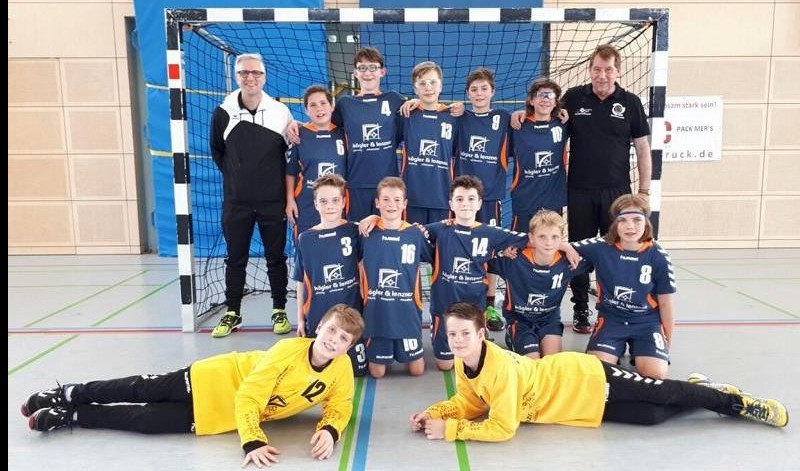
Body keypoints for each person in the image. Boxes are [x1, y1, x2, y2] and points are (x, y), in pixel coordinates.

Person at [22, 305, 366, 468]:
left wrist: (330, 431)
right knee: (142, 388)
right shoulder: (287, 350)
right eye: (331, 331)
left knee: (146, 422)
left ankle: (73, 416)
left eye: (343, 339)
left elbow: (341, 405)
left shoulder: (341, 368)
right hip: (211, 379)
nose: (333, 340)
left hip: (216, 414)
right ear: (318, 327)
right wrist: (252, 441)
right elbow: (249, 396)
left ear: (349, 347)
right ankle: (70, 393)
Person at [409, 302, 788, 443]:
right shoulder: (464, 362)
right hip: (582, 405)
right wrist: (437, 413)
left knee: (663, 393)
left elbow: (503, 428)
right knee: (652, 417)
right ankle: (697, 390)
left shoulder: (500, 368)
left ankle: (736, 403)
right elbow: (471, 403)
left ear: (480, 334)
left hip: (587, 376)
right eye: (452, 334)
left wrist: (450, 431)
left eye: (465, 334)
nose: (458, 341)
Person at [209, 52, 294, 338]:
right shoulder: (223, 112)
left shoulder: (280, 112)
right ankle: (232, 312)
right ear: (237, 76)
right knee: (235, 258)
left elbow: (289, 154)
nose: (250, 78)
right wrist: (238, 179)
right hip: (237, 202)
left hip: (273, 201)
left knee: (275, 257)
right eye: (244, 72)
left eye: (256, 72)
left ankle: (279, 309)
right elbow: (217, 152)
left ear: (264, 76)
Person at [568, 194, 674, 379]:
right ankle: (615, 347)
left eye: (636, 220)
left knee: (656, 374)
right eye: (623, 220)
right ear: (615, 224)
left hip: (646, 322)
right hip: (612, 319)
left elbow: (665, 303)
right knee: (598, 372)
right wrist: (565, 247)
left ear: (646, 222)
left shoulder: (658, 256)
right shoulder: (601, 246)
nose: (630, 226)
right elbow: (562, 246)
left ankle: (638, 346)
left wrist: (667, 341)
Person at [487, 210, 592, 359]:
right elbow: (481, 258)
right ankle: (512, 335)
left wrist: (568, 247)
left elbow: (603, 258)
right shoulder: (513, 259)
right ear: (531, 237)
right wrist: (502, 251)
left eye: (554, 237)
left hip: (549, 320)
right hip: (520, 320)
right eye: (542, 236)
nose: (548, 242)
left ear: (562, 238)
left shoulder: (569, 261)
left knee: (552, 361)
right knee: (533, 361)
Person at [454, 67, 512, 331]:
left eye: (484, 89)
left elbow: (529, 119)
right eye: (474, 89)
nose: (479, 94)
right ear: (467, 94)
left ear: (493, 92)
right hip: (462, 198)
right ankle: (460, 301)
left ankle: (489, 304)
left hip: (489, 197)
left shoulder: (504, 118)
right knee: (460, 248)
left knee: (489, 250)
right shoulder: (459, 117)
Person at [292, 174, 367, 376]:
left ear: (343, 202)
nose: (330, 206)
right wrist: (300, 319)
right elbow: (301, 282)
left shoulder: (354, 231)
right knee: (316, 372)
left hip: (350, 321)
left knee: (357, 372)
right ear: (316, 204)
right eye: (323, 201)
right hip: (318, 319)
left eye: (335, 200)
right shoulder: (305, 238)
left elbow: (364, 270)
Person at [359, 177, 433, 378]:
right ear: (377, 203)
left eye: (397, 200)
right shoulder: (367, 232)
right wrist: (372, 218)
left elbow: (435, 257)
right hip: (378, 313)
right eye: (385, 199)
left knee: (417, 370)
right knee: (377, 372)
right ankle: (381, 348)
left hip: (407, 312)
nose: (391, 204)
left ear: (405, 203)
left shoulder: (415, 234)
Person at [400, 61, 458, 225]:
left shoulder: (453, 117)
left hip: (442, 198)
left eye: (433, 82)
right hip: (411, 198)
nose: (428, 87)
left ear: (441, 86)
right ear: (415, 89)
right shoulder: (406, 115)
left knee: (441, 242)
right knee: (413, 241)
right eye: (422, 83)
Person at [285, 85, 347, 237]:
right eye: (313, 105)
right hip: (307, 204)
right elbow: (290, 172)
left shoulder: (344, 134)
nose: (319, 108)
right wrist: (290, 200)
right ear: (306, 111)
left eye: (323, 103)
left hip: (336, 205)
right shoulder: (298, 135)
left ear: (332, 106)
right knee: (306, 246)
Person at [509, 78, 568, 233]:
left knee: (550, 244)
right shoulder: (517, 125)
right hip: (525, 200)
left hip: (553, 200)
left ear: (556, 102)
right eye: (541, 95)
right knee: (520, 245)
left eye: (550, 95)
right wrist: (516, 113)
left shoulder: (563, 124)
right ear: (531, 100)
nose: (545, 99)